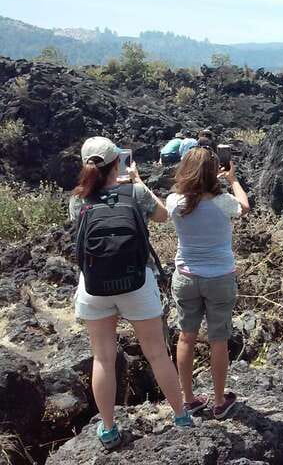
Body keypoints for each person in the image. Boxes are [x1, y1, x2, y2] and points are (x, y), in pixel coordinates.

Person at [70, 137, 192, 450]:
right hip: (137, 281)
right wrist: (138, 182)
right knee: (156, 353)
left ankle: (108, 430)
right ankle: (181, 417)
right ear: (117, 163)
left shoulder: (78, 200)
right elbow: (164, 215)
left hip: (94, 286)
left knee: (103, 358)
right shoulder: (134, 192)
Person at [167, 147, 250, 419]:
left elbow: (163, 208)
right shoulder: (222, 201)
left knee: (186, 337)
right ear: (214, 171)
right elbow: (245, 207)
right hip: (219, 278)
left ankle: (189, 399)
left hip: (186, 278)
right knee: (218, 339)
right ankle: (218, 401)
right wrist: (233, 179)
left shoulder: (175, 201)